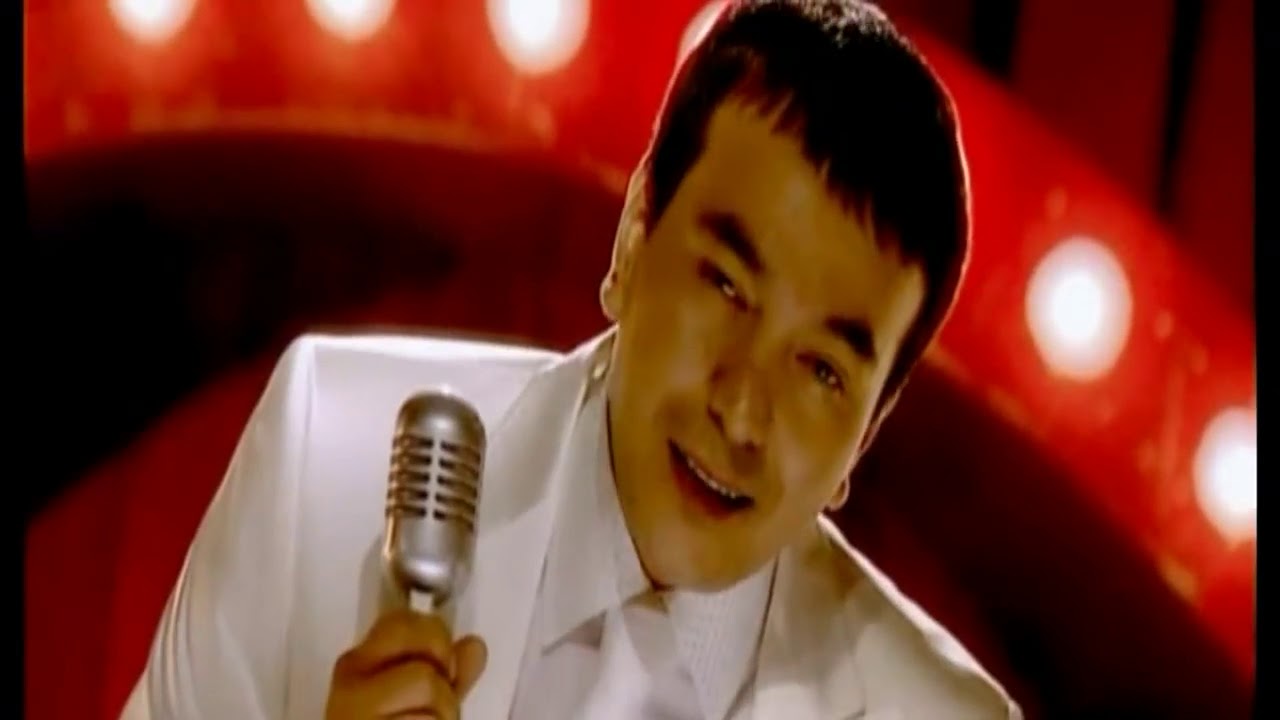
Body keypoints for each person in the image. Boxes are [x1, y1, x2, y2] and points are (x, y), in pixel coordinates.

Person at [120, 1, 1021, 718]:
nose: (742, 411)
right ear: (633, 239)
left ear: (868, 432)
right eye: (725, 285)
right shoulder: (329, 454)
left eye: (821, 370)